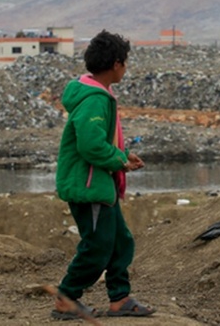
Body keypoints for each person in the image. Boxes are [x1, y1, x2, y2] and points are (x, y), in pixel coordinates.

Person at [44, 30, 155, 320]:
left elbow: (98, 139)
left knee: (120, 241)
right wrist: (119, 160)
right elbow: (91, 145)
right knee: (98, 246)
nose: (126, 68)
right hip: (88, 186)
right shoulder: (95, 100)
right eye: (125, 62)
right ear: (116, 64)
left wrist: (122, 153)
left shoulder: (98, 94)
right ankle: (67, 298)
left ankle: (119, 298)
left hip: (98, 183)